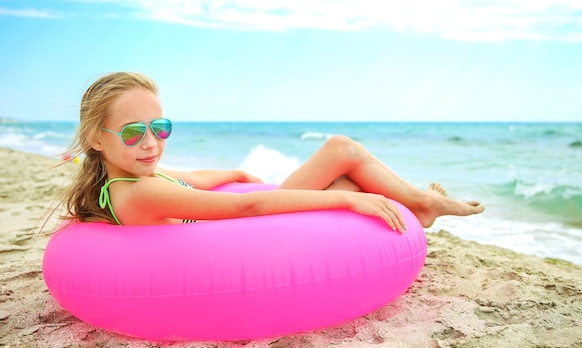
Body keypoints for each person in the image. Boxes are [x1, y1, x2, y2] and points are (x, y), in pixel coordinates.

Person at [58, 72, 484, 232]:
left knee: (341, 172)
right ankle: (422, 204)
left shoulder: (136, 177)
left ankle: (415, 207)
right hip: (241, 241)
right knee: (341, 155)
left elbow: (193, 180)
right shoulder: (137, 193)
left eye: (160, 127)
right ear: (96, 138)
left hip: (238, 234)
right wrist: (348, 199)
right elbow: (250, 209)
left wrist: (234, 173)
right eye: (133, 132)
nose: (151, 143)